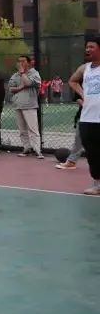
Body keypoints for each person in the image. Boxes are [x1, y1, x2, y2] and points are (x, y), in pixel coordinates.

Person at [68, 36, 100, 195]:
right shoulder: (84, 68)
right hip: (87, 119)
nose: (88, 50)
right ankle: (97, 184)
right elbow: (72, 81)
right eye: (87, 47)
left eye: (91, 47)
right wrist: (82, 94)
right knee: (92, 154)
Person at [8, 55, 43, 159]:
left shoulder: (34, 73)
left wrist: (23, 73)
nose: (20, 63)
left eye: (23, 61)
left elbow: (28, 82)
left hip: (29, 105)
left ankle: (37, 150)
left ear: (29, 63)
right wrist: (20, 87)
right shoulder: (15, 75)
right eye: (19, 61)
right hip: (18, 105)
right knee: (22, 130)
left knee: (33, 129)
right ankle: (26, 148)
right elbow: (10, 88)